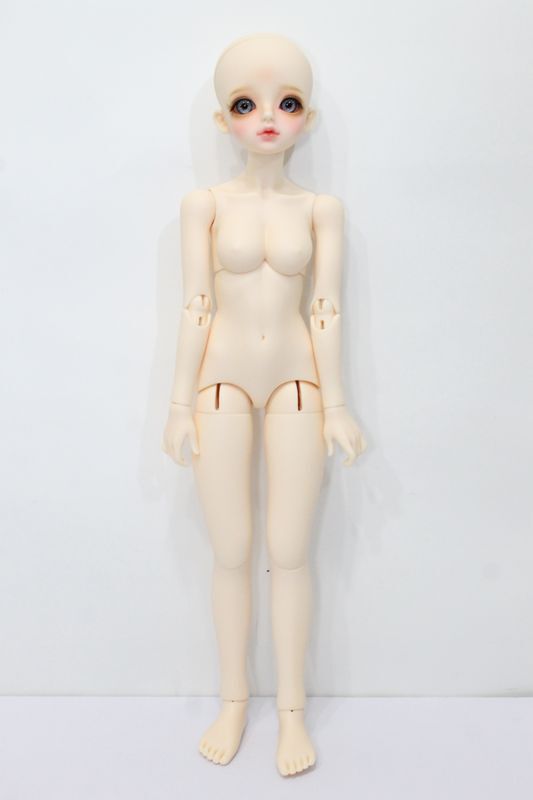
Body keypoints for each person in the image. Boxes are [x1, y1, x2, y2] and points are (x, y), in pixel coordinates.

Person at [162, 32, 367, 777]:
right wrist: (178, 402)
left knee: (289, 552)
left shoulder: (321, 210)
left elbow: (326, 309)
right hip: (218, 384)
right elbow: (196, 304)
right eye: (247, 104)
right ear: (224, 120)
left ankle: (290, 713)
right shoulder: (203, 205)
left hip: (297, 386)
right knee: (230, 550)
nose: (269, 118)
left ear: (307, 116)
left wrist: (337, 403)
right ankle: (232, 701)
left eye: (287, 102)